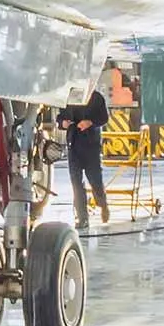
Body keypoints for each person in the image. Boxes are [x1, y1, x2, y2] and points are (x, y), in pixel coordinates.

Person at [58, 85, 110, 227]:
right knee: (76, 182)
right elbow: (60, 118)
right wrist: (63, 123)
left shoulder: (96, 98)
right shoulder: (68, 99)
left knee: (95, 180)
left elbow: (104, 118)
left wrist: (90, 122)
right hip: (73, 145)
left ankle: (103, 204)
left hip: (91, 145)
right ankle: (82, 217)